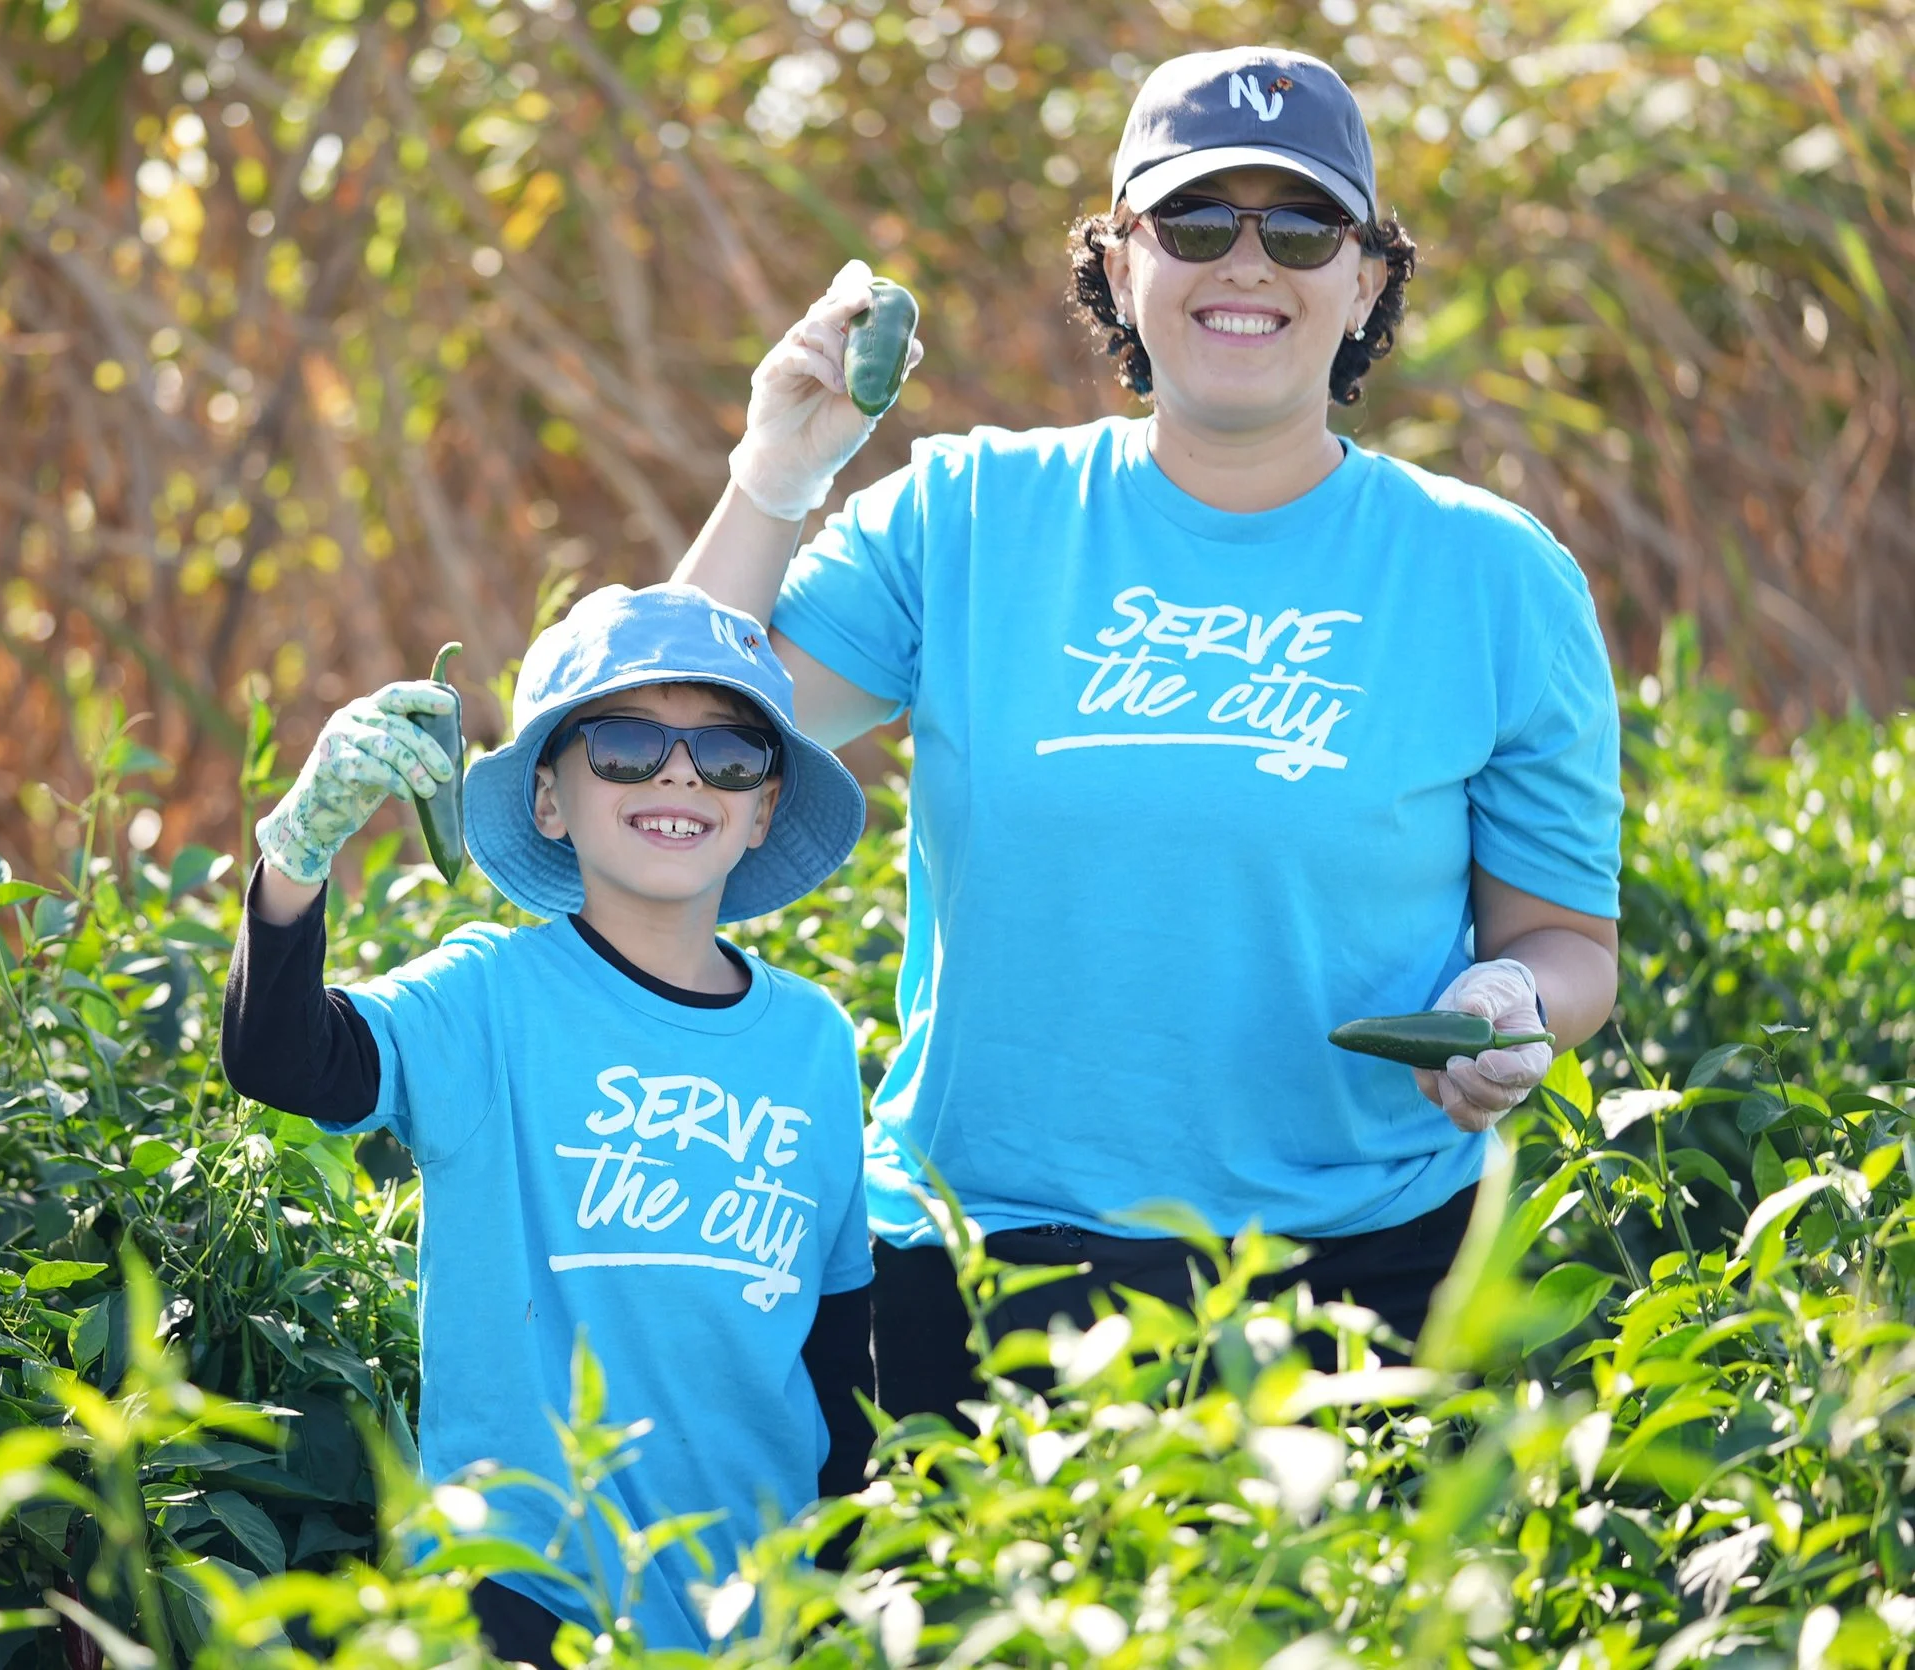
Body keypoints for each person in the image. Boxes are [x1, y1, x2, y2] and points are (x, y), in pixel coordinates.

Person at [674, 46, 1623, 1417]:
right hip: (974, 1259)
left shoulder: (1495, 573)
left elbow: (1568, 943)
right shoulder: (963, 517)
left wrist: (1515, 1001)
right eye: (1193, 223)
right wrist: (778, 470)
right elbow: (674, 731)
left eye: (1299, 228)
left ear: (1365, 280)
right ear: (1120, 265)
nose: (1248, 263)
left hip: (1365, 1274)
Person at [220, 584, 875, 1662]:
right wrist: (298, 851)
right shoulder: (485, 998)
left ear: (762, 806)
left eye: (728, 753)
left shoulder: (811, 1037)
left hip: (761, 1603)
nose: (677, 775)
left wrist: (847, 1588)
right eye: (623, 743)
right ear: (549, 797)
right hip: (523, 1588)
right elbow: (285, 1056)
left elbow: (839, 1338)